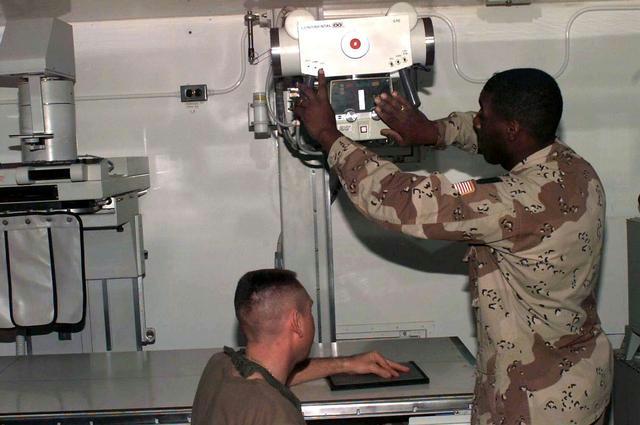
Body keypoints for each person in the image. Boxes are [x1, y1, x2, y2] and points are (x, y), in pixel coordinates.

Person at [293, 68, 612, 425]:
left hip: (535, 403)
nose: (476, 122)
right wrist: (434, 132)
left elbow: (398, 199)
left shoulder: (516, 203)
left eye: (484, 117)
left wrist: (328, 134)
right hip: (581, 383)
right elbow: (488, 135)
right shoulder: (574, 170)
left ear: (512, 129)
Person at [191, 268, 409, 425]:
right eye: (309, 311)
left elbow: (270, 376)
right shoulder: (276, 412)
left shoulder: (220, 365)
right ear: (297, 322)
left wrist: (346, 364)